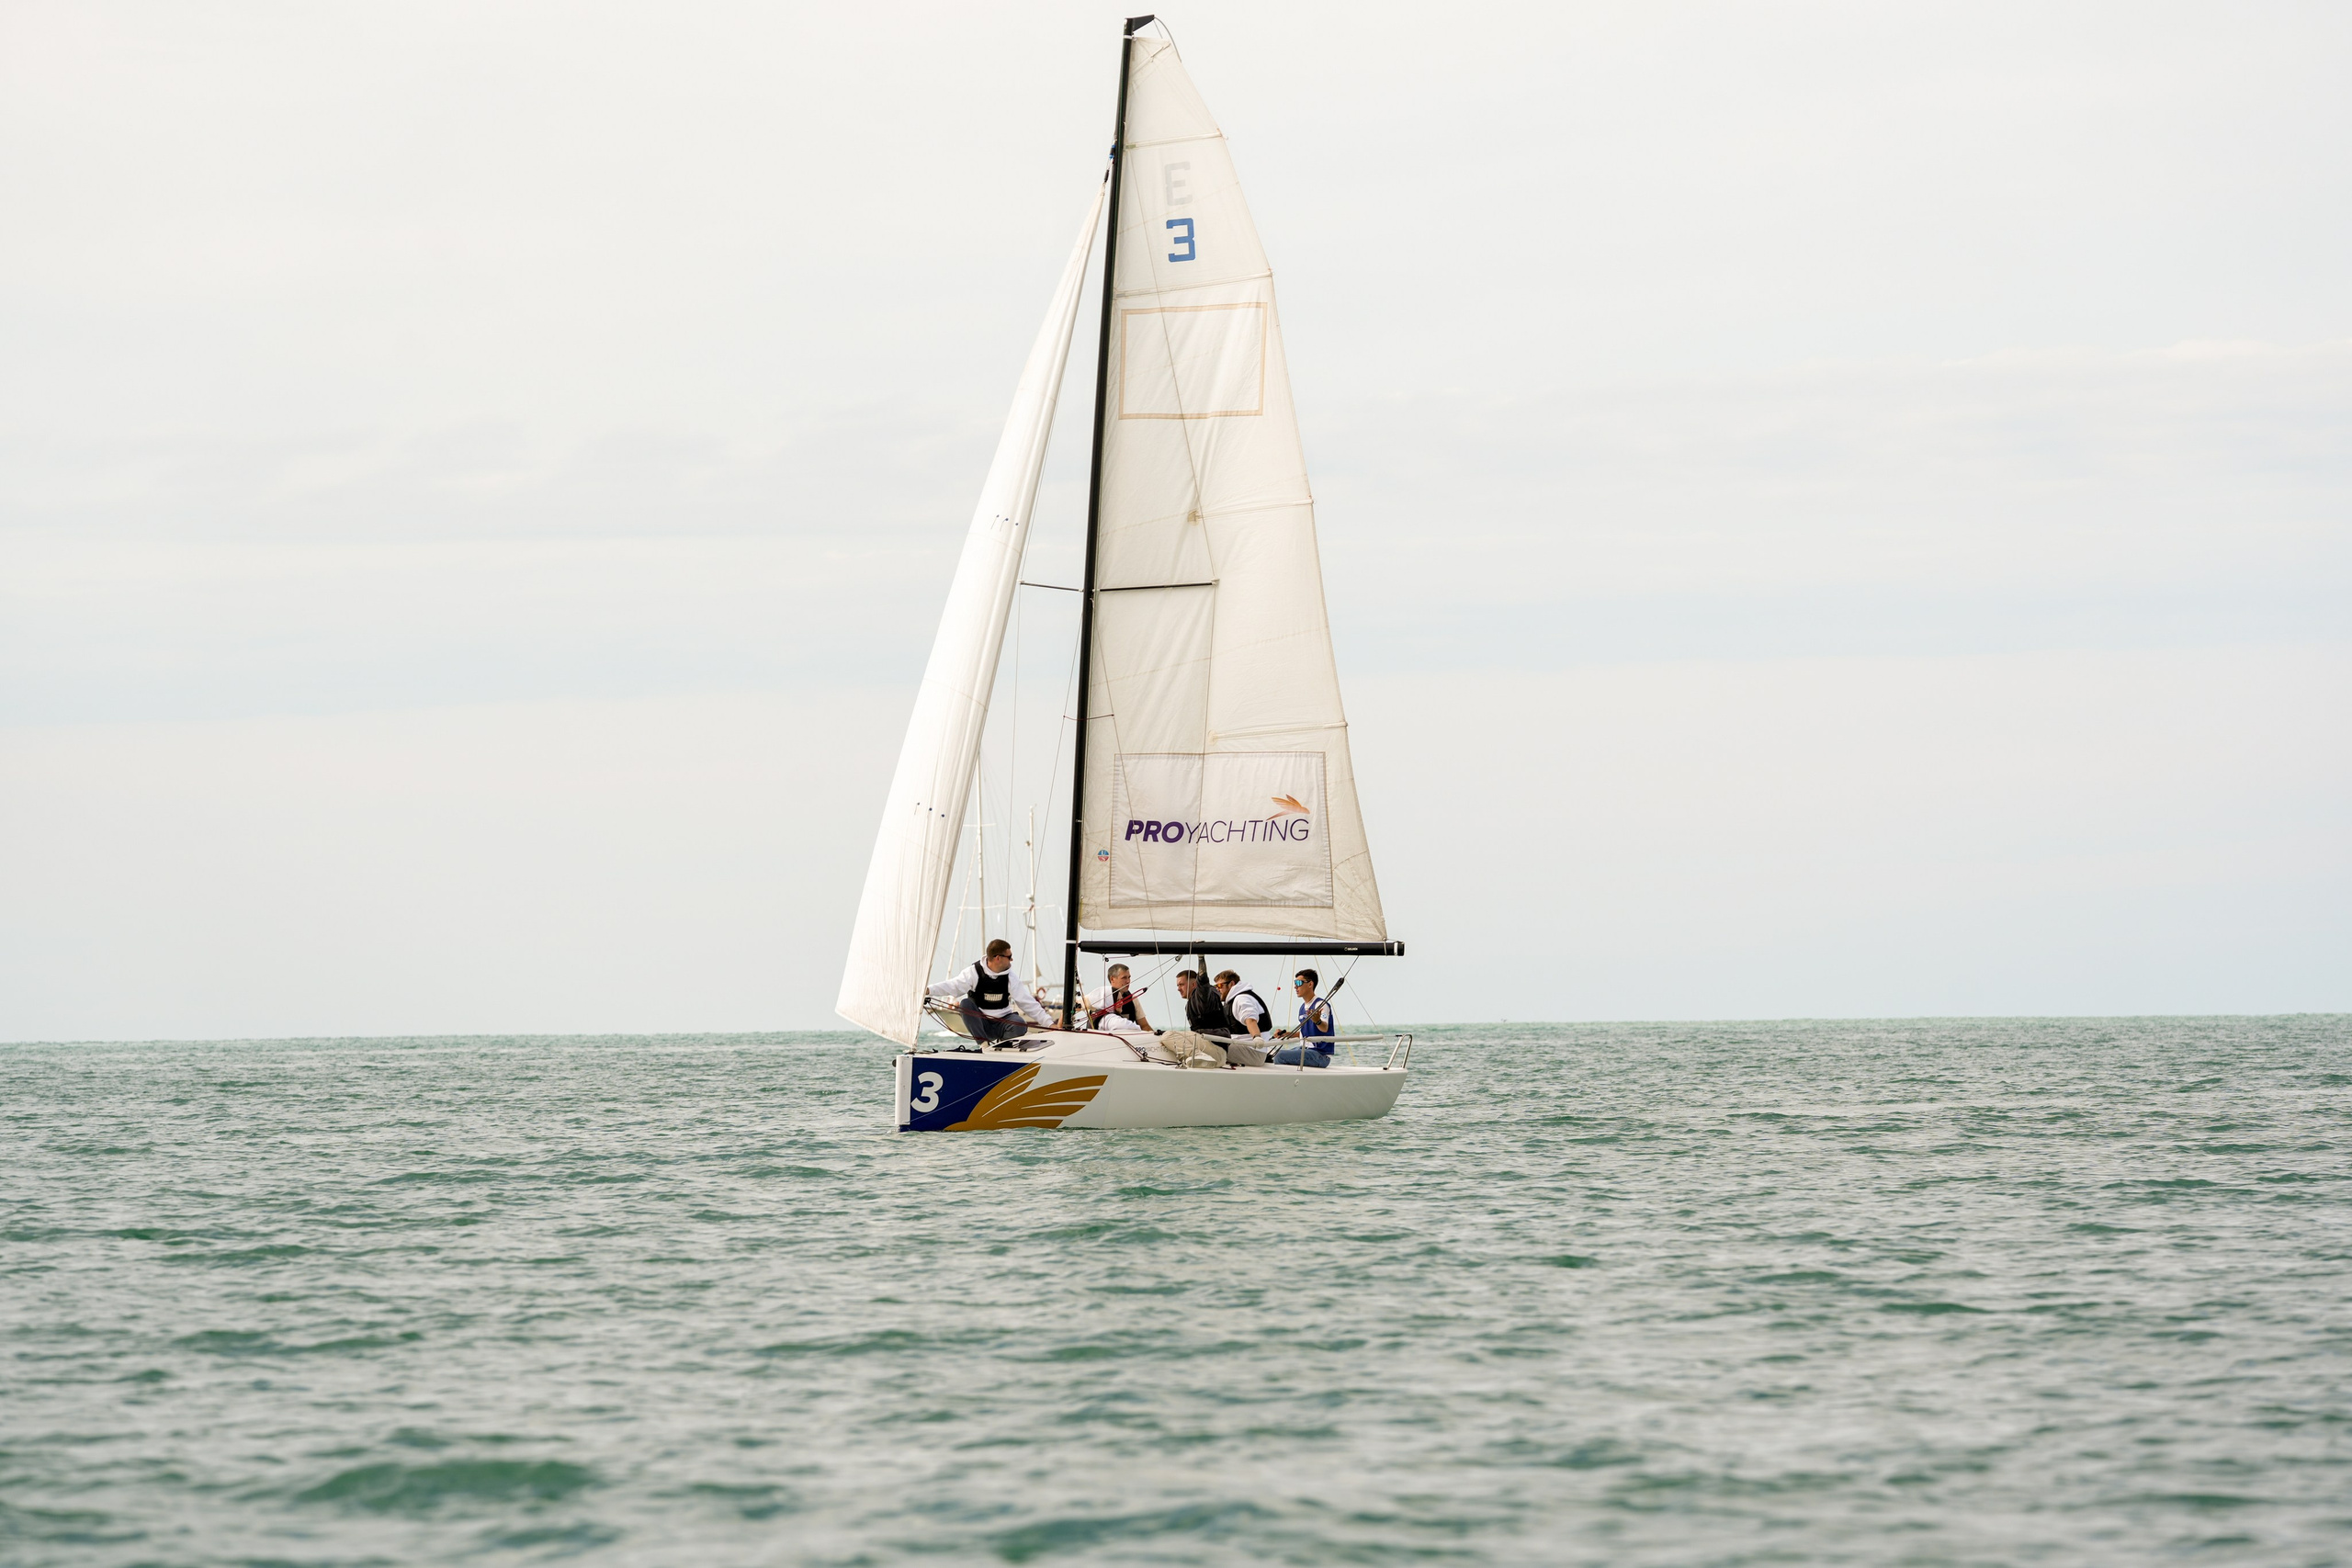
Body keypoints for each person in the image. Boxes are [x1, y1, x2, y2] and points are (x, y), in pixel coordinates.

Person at [925, 939, 1053, 1043]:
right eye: (1010, 956)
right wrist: (928, 990)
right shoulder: (973, 972)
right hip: (982, 1025)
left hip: (1003, 1023)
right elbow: (952, 986)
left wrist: (1049, 1024)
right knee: (965, 1004)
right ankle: (984, 1045)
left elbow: (1028, 1003)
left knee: (1020, 1024)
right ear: (998, 958)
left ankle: (1004, 1045)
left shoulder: (1011, 978)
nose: (1012, 960)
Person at [1271, 968, 1335, 1067]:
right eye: (1295, 983)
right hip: (1305, 1049)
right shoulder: (1302, 1007)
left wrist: (1317, 1021)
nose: (1295, 986)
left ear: (1310, 984)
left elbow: (1324, 1028)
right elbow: (1304, 1033)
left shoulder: (1321, 1005)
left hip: (1320, 1055)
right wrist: (1286, 1034)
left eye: (1299, 982)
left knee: (1280, 1056)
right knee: (1272, 1055)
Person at [1088, 964, 1151, 1031]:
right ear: (1112, 979)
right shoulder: (1097, 999)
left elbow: (1144, 1026)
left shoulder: (1132, 999)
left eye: (1129, 977)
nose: (1128, 981)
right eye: (1124, 978)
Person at [1177, 970, 1230, 1035]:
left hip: (1217, 1041)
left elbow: (1203, 981)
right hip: (1204, 1039)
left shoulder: (1205, 996)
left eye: (1181, 984)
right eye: (1178, 985)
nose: (1178, 989)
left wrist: (1201, 959)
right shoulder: (1189, 1005)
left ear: (1194, 984)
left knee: (1168, 1036)